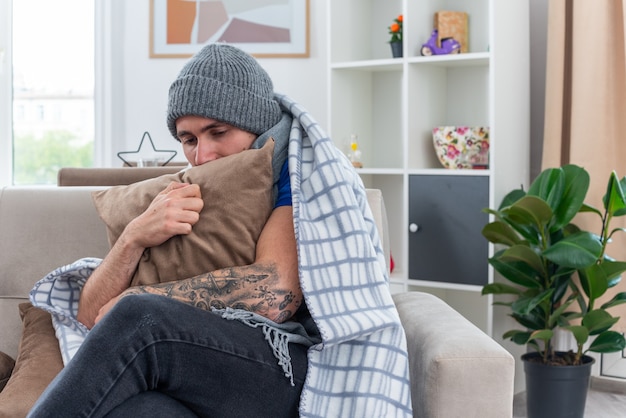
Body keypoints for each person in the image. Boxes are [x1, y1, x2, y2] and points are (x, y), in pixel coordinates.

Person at [28, 44, 413, 418]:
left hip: (294, 371)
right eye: (189, 140)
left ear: (255, 124)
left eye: (219, 132)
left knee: (140, 316)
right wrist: (135, 236)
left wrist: (143, 297)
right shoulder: (187, 190)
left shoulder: (294, 173)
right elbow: (91, 316)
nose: (203, 155)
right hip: (205, 368)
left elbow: (276, 294)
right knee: (139, 410)